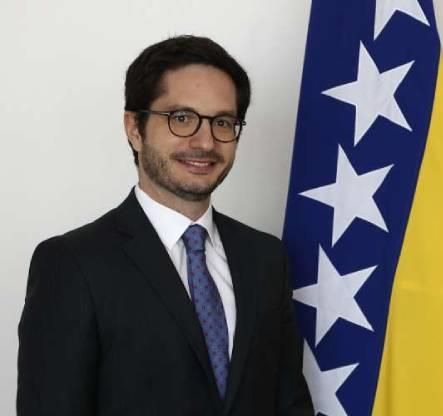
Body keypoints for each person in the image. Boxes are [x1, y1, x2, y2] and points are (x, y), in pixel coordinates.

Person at [18, 35, 313, 415]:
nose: (205, 142)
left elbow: (290, 404)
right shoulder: (72, 264)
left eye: (223, 122)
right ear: (134, 128)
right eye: (182, 118)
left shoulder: (266, 257)